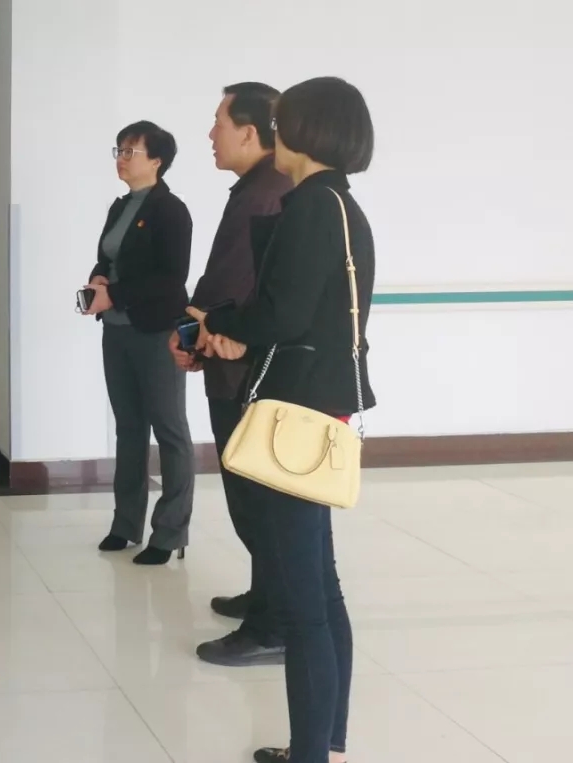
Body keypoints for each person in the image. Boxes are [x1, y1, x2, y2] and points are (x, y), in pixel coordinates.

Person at [187, 76, 376, 763]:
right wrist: (237, 330)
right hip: (320, 405)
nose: (275, 133)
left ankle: (311, 753)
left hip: (295, 412)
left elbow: (282, 314)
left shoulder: (311, 208)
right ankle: (327, 743)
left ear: (304, 130)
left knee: (306, 605)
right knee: (321, 587)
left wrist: (223, 327)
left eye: (281, 122)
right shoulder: (340, 205)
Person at [169, 83, 292, 666]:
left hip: (245, 371)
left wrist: (194, 332)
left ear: (249, 131)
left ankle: (274, 625)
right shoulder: (255, 189)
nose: (211, 134)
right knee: (248, 495)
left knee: (257, 500)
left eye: (218, 122)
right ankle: (265, 597)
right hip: (228, 359)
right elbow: (222, 281)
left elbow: (236, 289)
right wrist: (195, 333)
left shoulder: (268, 193)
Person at [83, 121, 195, 565]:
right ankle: (125, 524)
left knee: (169, 429)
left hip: (157, 332)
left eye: (131, 151)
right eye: (119, 150)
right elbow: (107, 257)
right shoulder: (120, 207)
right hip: (116, 331)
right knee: (129, 428)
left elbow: (172, 279)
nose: (122, 158)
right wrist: (98, 280)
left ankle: (169, 532)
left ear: (157, 161)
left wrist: (115, 293)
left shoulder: (171, 210)